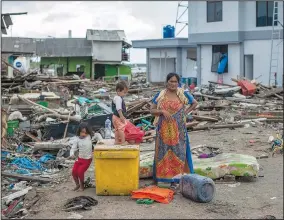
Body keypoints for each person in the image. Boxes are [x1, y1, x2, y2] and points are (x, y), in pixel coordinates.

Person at [150, 72, 198, 191]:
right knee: (163, 152)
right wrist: (162, 111)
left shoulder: (182, 94)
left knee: (179, 152)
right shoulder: (161, 95)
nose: (173, 84)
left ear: (178, 83)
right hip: (163, 130)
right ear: (167, 82)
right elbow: (152, 110)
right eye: (171, 81)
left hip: (179, 130)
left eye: (175, 81)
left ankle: (177, 179)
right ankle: (164, 179)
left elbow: (194, 103)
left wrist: (185, 113)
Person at [69, 122, 93, 191]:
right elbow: (73, 148)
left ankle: (82, 186)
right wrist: (72, 154)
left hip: (87, 159)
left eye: (86, 133)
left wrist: (100, 141)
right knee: (74, 172)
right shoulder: (77, 139)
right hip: (80, 158)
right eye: (82, 132)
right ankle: (77, 184)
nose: (84, 134)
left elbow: (98, 135)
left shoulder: (89, 136)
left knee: (80, 172)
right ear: (79, 131)